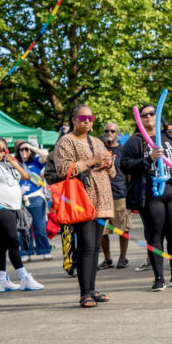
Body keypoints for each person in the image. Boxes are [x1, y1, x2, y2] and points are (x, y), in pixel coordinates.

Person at [121, 102, 172, 292]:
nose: (148, 116)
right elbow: (125, 165)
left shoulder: (169, 137)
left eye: (152, 113)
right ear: (139, 119)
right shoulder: (136, 141)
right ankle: (159, 278)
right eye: (144, 114)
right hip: (151, 195)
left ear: (158, 116)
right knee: (155, 236)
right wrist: (149, 159)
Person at [54, 105, 116, 307]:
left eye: (91, 117)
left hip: (102, 198)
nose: (88, 121)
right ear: (74, 119)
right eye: (83, 118)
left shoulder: (97, 141)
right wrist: (91, 161)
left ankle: (92, 288)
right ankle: (84, 293)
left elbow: (113, 173)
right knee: (86, 246)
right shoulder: (66, 141)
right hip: (82, 200)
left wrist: (109, 164)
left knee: (96, 247)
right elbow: (63, 169)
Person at [0, 140, 45, 293]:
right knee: (13, 239)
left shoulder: (8, 164)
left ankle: (2, 280)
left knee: (3, 243)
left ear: (6, 151)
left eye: (1, 150)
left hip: (13, 207)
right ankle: (23, 277)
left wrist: (13, 163)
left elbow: (26, 176)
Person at [98, 121, 131, 269]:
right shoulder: (99, 151)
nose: (109, 134)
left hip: (120, 194)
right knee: (102, 230)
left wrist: (129, 194)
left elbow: (129, 174)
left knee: (123, 228)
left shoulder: (124, 151)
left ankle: (122, 258)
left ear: (117, 134)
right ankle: (108, 259)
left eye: (112, 131)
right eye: (106, 131)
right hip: (102, 196)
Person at [14, 141, 52, 262]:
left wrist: (30, 146)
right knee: (23, 228)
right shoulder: (15, 163)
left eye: (26, 149)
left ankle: (45, 250)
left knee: (39, 227)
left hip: (36, 197)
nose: (24, 152)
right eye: (22, 149)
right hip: (20, 198)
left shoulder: (35, 161)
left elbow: (46, 156)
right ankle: (26, 252)